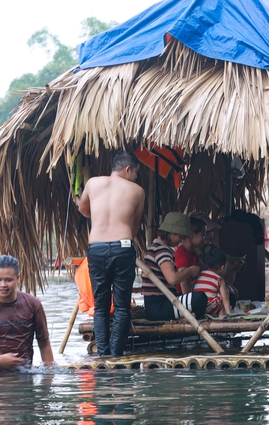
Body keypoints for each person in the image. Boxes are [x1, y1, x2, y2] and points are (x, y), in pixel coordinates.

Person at [78, 151, 145, 357]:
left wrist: (100, 216)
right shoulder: (137, 191)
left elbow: (83, 209)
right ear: (127, 169)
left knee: (101, 305)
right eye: (135, 172)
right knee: (122, 306)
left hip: (96, 247)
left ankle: (103, 354)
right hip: (122, 246)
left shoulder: (92, 183)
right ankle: (116, 355)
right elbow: (134, 225)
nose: (136, 177)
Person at [143, 212, 207, 321]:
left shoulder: (158, 248)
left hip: (163, 303)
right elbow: (172, 279)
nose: (181, 241)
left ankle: (179, 317)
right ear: (171, 233)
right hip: (158, 307)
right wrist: (189, 271)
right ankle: (177, 318)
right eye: (180, 237)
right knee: (200, 298)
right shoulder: (161, 250)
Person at [193, 248, 232, 317]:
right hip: (210, 308)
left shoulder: (201, 274)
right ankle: (221, 313)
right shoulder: (219, 279)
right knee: (226, 292)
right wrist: (230, 314)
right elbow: (225, 299)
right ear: (222, 267)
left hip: (198, 308)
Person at [175, 216, 207, 294]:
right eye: (203, 235)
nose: (205, 238)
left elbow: (207, 271)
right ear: (192, 235)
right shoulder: (182, 256)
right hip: (181, 298)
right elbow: (186, 293)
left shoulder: (192, 254)